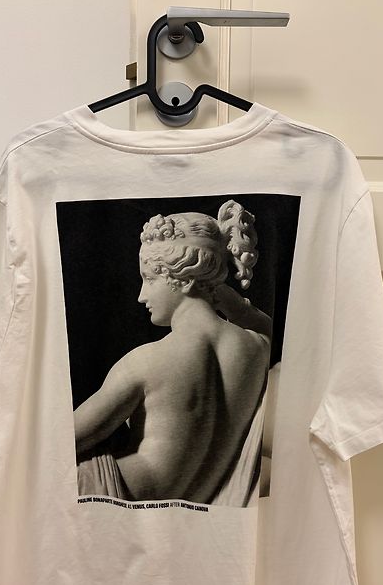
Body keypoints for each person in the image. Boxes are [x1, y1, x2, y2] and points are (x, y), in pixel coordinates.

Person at [75, 199, 272, 506]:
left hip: (120, 494)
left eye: (150, 278)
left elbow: (66, 440)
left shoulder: (146, 361)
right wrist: (213, 286)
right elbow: (263, 324)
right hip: (202, 506)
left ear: (185, 279)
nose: (141, 296)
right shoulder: (257, 347)